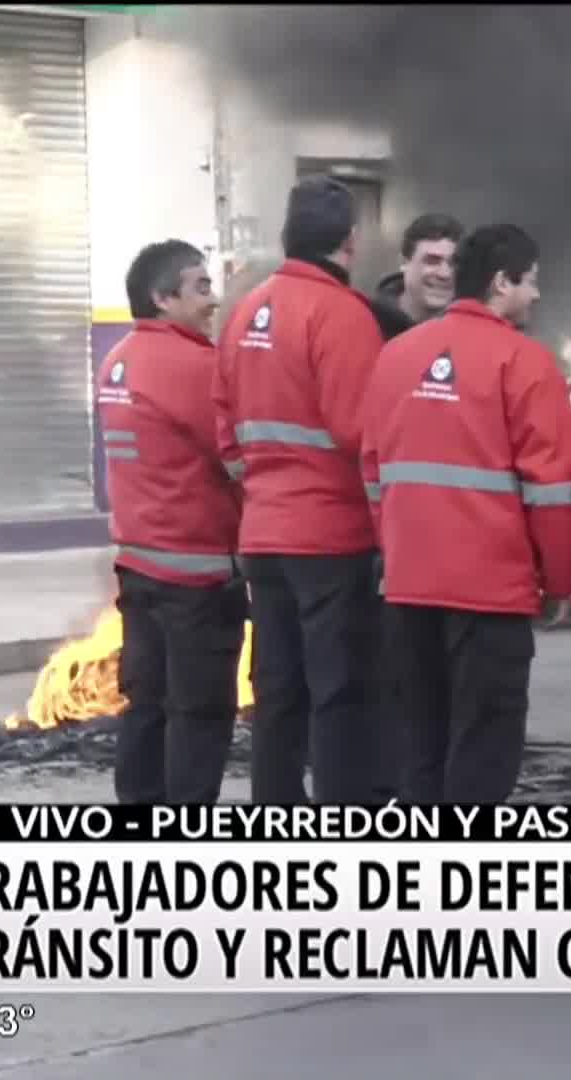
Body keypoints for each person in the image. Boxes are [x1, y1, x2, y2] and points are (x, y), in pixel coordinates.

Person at [360, 224, 571, 803]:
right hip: (491, 596)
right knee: (483, 748)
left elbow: (372, 469)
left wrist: (397, 552)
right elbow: (553, 491)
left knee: (422, 746)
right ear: (502, 281)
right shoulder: (527, 365)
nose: (535, 295)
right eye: (530, 282)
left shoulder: (396, 356)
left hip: (408, 590)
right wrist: (560, 582)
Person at [214, 177, 389, 805]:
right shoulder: (342, 314)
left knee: (278, 691)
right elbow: (360, 432)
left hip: (265, 533)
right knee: (337, 691)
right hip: (329, 536)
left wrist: (263, 489)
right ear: (349, 241)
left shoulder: (246, 312)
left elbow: (225, 428)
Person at [95, 240, 246, 804]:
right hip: (198, 575)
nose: (213, 300)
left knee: (147, 706)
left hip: (138, 568)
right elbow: (236, 458)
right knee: (200, 713)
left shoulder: (117, 361)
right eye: (201, 288)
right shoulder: (195, 367)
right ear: (162, 298)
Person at [375, 213, 464, 331]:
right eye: (432, 261)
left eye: (454, 263)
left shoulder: (472, 332)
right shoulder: (369, 323)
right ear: (404, 262)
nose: (445, 274)